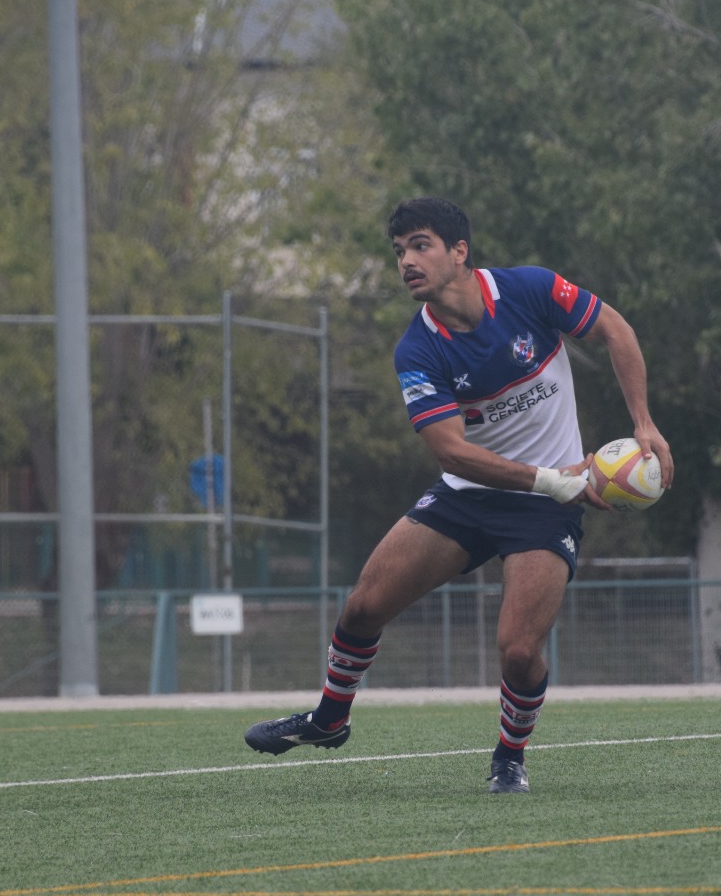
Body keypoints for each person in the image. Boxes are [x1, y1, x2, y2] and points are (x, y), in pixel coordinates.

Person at [244, 196, 673, 792]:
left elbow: (615, 330)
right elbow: (451, 452)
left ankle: (509, 757)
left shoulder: (529, 291)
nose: (406, 262)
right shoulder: (417, 349)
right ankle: (329, 718)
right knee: (363, 606)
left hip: (546, 509)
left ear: (459, 252)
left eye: (420, 246)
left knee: (519, 650)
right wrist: (552, 478)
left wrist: (643, 423)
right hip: (472, 494)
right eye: (399, 252)